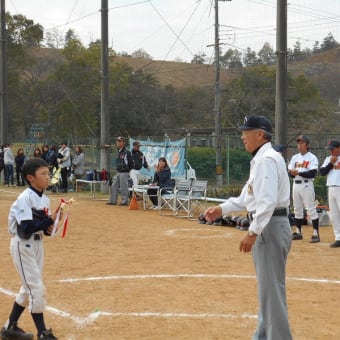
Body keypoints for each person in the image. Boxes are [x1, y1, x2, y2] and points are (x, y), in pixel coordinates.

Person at [204, 115, 292, 340]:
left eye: (246, 131)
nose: (242, 136)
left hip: (269, 227)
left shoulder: (266, 160)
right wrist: (221, 209)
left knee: (271, 293)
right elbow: (246, 198)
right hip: (271, 226)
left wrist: (253, 232)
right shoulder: (261, 159)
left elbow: (267, 202)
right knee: (268, 292)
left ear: (260, 134)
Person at [0, 158, 61, 340]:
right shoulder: (24, 198)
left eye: (48, 173)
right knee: (35, 288)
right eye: (42, 174)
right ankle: (42, 332)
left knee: (28, 289)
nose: (47, 177)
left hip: (37, 245)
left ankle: (9, 327)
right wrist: (50, 220)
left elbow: (41, 227)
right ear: (30, 177)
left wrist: (52, 226)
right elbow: (26, 227)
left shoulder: (45, 199)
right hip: (22, 245)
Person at [288, 135, 320, 242]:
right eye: (298, 143)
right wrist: (292, 173)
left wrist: (299, 172)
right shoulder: (295, 158)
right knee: (297, 209)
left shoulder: (312, 157)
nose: (299, 145)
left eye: (302, 143)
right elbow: (290, 172)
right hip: (295, 185)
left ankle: (316, 233)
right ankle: (298, 232)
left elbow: (313, 173)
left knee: (310, 209)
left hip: (307, 185)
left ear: (307, 144)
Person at [320, 139, 340, 248]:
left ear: (339, 148)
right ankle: (338, 238)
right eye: (330, 149)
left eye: (332, 149)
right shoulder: (328, 159)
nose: (331, 151)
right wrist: (331, 163)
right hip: (331, 188)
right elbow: (322, 172)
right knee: (334, 215)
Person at [107, 137, 133, 206]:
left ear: (123, 143)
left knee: (123, 187)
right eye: (117, 141)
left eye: (119, 141)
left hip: (124, 172)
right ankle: (113, 201)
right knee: (113, 185)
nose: (117, 142)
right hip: (119, 172)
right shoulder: (118, 151)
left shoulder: (127, 152)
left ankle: (124, 201)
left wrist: (127, 170)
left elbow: (131, 163)